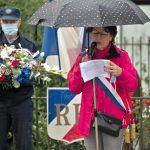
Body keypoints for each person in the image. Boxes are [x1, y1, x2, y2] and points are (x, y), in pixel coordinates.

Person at [67, 26, 138, 150]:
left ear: (111, 36)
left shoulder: (121, 56)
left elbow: (133, 85)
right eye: (95, 33)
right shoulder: (84, 56)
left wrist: (121, 73)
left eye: (103, 34)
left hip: (113, 117)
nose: (98, 37)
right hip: (89, 117)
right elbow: (73, 87)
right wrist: (80, 68)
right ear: (90, 35)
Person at [0, 7, 37, 150]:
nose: (9, 24)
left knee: (24, 143)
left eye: (12, 21)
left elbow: (38, 73)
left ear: (19, 22)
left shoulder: (29, 45)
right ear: (0, 22)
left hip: (22, 101)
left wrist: (23, 75)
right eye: (5, 21)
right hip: (1, 101)